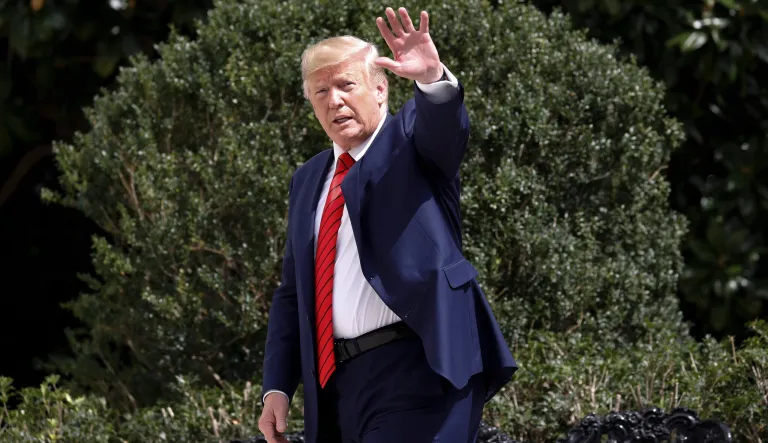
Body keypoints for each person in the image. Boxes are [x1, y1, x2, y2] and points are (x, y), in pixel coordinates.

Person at [258, 7, 517, 443]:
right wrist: (278, 386)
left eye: (346, 85)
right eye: (320, 91)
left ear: (380, 91)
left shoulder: (409, 141)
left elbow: (444, 128)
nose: (334, 100)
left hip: (419, 368)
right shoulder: (307, 179)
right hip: (338, 386)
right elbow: (292, 293)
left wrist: (432, 80)